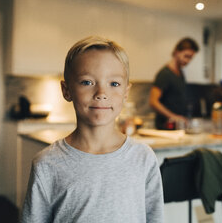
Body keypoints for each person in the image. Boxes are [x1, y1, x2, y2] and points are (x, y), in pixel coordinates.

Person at [21, 36, 164, 223]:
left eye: (114, 84)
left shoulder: (144, 158)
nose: (101, 94)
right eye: (87, 82)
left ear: (126, 93)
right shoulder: (46, 164)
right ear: (66, 90)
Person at [149, 37, 199, 130]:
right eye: (186, 56)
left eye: (191, 58)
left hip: (177, 127)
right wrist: (173, 116)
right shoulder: (164, 74)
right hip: (165, 127)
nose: (188, 61)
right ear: (176, 52)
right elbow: (153, 101)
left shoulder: (180, 73)